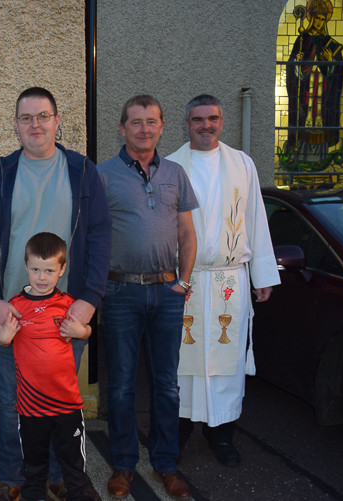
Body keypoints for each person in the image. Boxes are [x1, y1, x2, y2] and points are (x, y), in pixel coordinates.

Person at [0, 87, 110, 501]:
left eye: (43, 116)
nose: (35, 124)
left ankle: (56, 474)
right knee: (13, 400)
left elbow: (102, 235)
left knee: (60, 403)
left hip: (65, 315)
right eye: (26, 117)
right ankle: (17, 478)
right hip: (12, 315)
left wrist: (88, 302)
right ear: (15, 124)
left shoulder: (83, 172)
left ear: (56, 121)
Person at [166, 94, 280, 466]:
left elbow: (255, 219)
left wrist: (262, 275)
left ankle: (223, 436)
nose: (205, 125)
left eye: (212, 118)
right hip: (189, 279)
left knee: (226, 363)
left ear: (221, 120)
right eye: (197, 119)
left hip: (229, 278)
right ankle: (179, 433)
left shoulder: (241, 164)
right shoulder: (171, 166)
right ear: (186, 124)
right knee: (183, 360)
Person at [96, 94, 197, 500]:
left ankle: (166, 464)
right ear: (122, 128)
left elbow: (187, 232)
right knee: (120, 385)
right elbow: (92, 235)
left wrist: (184, 282)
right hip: (120, 292)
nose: (144, 129)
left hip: (168, 292)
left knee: (166, 384)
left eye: (151, 121)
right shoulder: (101, 175)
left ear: (162, 125)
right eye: (135, 122)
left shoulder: (176, 173)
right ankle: (123, 464)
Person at [0, 232, 93, 501]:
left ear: (61, 270)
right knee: (34, 461)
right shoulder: (15, 307)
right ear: (26, 266)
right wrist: (4, 338)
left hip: (66, 404)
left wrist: (80, 331)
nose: (41, 277)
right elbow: (4, 342)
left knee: (73, 459)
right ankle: (34, 494)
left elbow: (86, 332)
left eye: (49, 270)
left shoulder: (68, 305)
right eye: (36, 269)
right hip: (31, 406)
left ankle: (79, 493)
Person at [284, 0, 343, 166]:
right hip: (305, 90)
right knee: (304, 118)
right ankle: (299, 156)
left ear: (326, 21)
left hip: (323, 93)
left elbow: (338, 74)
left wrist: (330, 62)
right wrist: (296, 64)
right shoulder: (303, 40)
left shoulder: (330, 43)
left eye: (322, 19)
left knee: (320, 119)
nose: (319, 22)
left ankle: (321, 159)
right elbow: (291, 69)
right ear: (311, 18)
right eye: (316, 18)